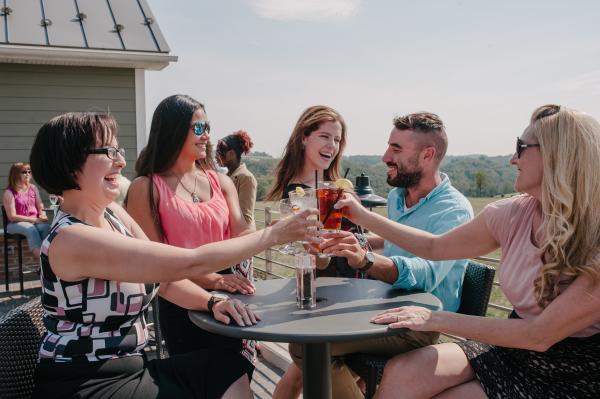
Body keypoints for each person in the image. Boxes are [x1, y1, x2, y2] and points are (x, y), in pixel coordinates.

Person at [29, 111, 320, 399]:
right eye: (108, 151)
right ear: (69, 164)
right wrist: (274, 235)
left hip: (131, 368)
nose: (121, 161)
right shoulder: (71, 238)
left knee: (227, 365)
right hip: (85, 381)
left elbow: (165, 280)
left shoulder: (113, 214)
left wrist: (211, 301)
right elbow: (187, 262)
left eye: (119, 150)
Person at [335, 105, 600, 398]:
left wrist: (433, 318)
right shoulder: (511, 214)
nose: (513, 158)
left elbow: (539, 335)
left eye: (520, 147)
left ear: (559, 155)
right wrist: (360, 216)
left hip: (572, 373)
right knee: (402, 371)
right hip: (512, 348)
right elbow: (435, 247)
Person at [126, 95, 258, 377]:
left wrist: (286, 231)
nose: (207, 135)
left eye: (207, 127)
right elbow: (155, 263)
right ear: (174, 131)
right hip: (183, 299)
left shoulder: (221, 181)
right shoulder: (145, 188)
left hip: (232, 294)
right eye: (199, 128)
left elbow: (242, 233)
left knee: (240, 377)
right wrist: (213, 279)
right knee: (202, 382)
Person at [2, 162, 50, 258]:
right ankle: (45, 262)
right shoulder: (9, 192)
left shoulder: (33, 188)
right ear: (15, 174)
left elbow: (40, 205)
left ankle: (43, 263)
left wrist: (43, 214)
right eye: (24, 172)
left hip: (34, 221)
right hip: (15, 224)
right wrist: (35, 220)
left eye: (29, 171)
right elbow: (12, 216)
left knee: (46, 227)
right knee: (30, 229)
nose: (28, 174)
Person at [216, 130, 258, 227]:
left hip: (242, 238)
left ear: (231, 154)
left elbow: (245, 218)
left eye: (220, 151)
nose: (217, 156)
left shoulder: (246, 178)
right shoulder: (226, 177)